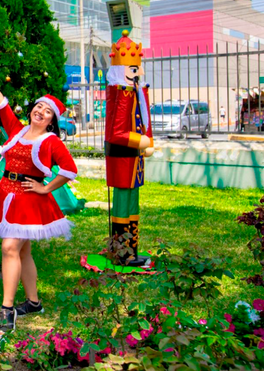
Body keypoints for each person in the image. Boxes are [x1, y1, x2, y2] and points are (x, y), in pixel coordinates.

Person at [0, 66, 78, 333]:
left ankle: (7, 310)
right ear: (33, 109)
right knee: (22, 251)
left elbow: (70, 170)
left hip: (28, 200)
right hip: (5, 194)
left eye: (47, 111)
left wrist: (46, 189)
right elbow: (0, 102)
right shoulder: (17, 129)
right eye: (39, 107)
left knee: (10, 248)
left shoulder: (51, 142)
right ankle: (34, 303)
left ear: (51, 120)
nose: (41, 112)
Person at [104, 30, 154, 266]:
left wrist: (149, 141)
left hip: (135, 162)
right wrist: (140, 141)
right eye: (133, 69)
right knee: (123, 204)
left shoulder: (137, 91)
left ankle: (131, 251)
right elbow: (117, 133)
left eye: (138, 68)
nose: (138, 73)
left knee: (133, 205)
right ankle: (122, 253)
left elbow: (145, 120)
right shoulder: (121, 93)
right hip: (123, 160)